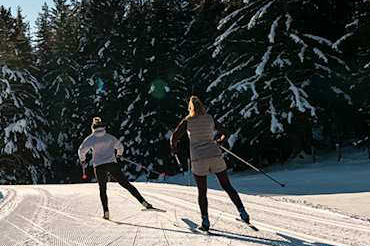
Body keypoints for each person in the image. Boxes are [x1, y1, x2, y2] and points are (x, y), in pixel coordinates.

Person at [170, 96, 250, 231]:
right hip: (214, 154)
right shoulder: (210, 118)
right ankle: (243, 212)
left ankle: (205, 221)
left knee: (202, 191)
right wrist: (219, 142)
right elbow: (226, 133)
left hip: (198, 159)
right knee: (227, 186)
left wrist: (174, 149)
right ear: (202, 106)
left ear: (190, 107)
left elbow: (174, 137)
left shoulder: (187, 121)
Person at [78, 116, 156, 220]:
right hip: (112, 164)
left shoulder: (91, 138)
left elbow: (81, 150)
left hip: (99, 166)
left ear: (93, 127)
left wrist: (83, 160)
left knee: (102, 189)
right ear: (103, 127)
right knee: (126, 184)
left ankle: (106, 212)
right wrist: (119, 154)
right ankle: (144, 202)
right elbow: (120, 146)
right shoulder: (110, 137)